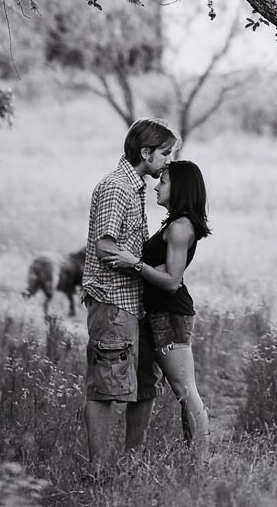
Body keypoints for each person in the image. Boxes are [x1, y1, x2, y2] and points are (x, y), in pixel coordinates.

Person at [81, 117, 177, 476]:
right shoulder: (116, 187)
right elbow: (106, 247)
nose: (168, 160)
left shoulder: (134, 188)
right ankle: (97, 472)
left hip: (132, 304)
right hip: (112, 301)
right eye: (165, 153)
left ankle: (130, 466)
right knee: (104, 389)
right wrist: (139, 266)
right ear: (145, 152)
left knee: (142, 384)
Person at [108, 159, 211, 457]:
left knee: (185, 390)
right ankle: (189, 460)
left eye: (163, 181)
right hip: (158, 313)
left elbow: (171, 282)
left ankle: (201, 463)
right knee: (178, 390)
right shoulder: (175, 223)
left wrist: (135, 263)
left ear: (178, 187)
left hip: (170, 315)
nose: (157, 185)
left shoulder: (180, 227)